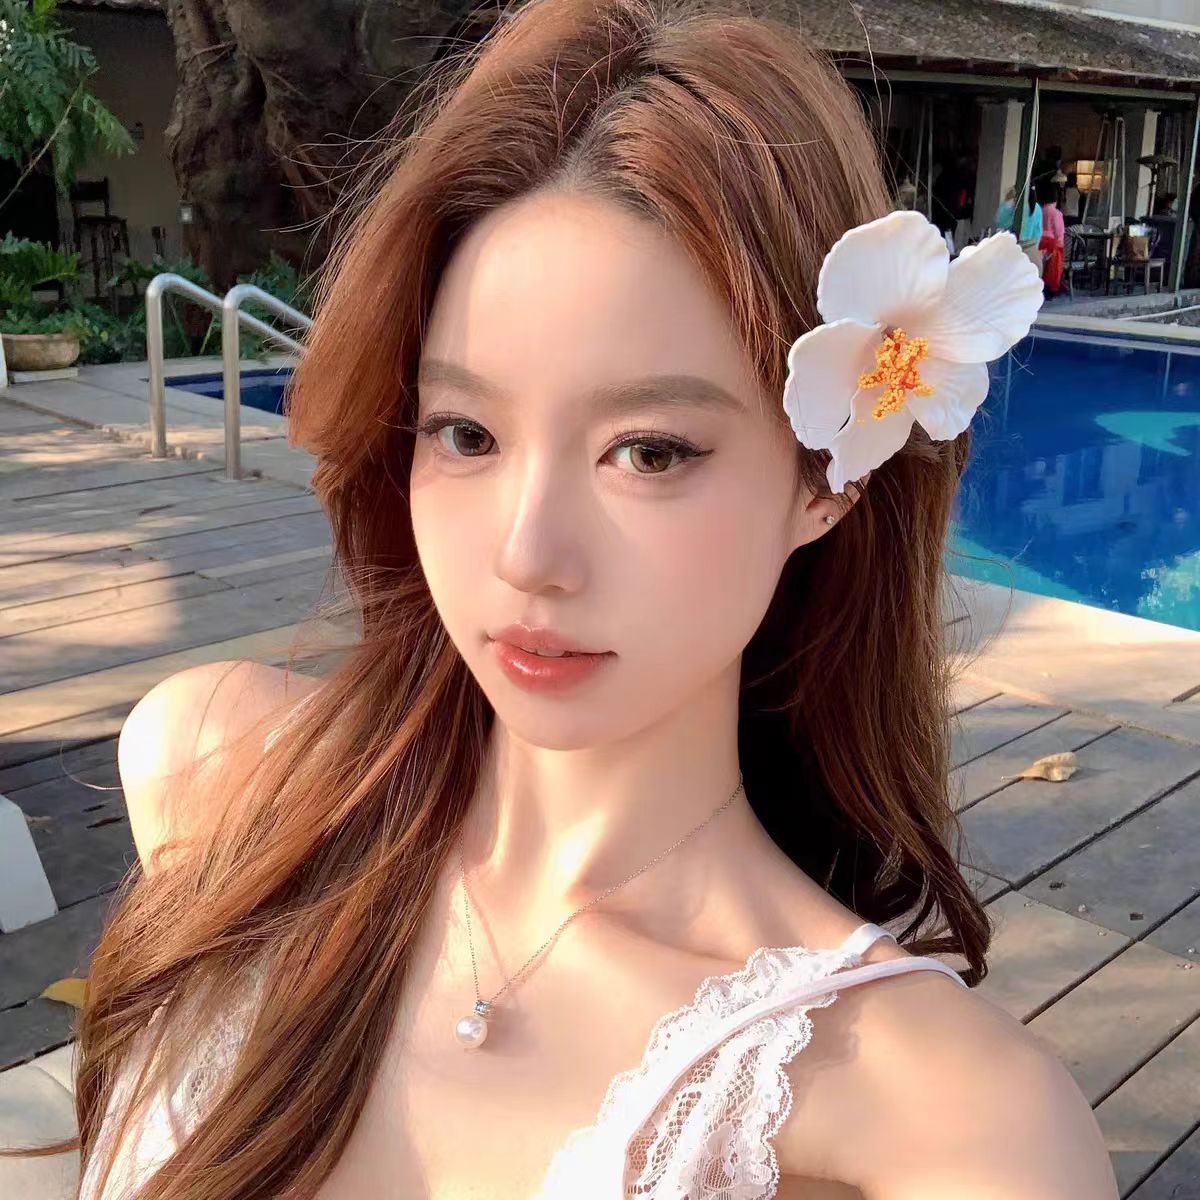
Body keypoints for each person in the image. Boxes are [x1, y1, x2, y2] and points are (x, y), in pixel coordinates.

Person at [16, 1, 1118, 1197]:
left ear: (828, 481)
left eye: (648, 451)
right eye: (466, 432)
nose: (528, 554)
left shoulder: (941, 1123)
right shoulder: (216, 774)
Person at [1037, 177, 1065, 296]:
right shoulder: (1056, 213)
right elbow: (1059, 233)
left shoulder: (1039, 210)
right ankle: (1053, 286)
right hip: (1051, 243)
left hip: (1039, 241)